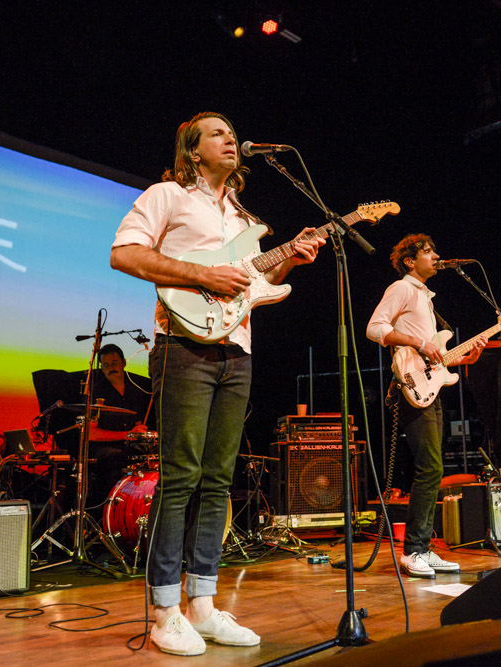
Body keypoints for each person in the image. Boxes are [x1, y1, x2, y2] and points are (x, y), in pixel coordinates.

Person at [110, 112, 324, 656]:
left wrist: (290, 261)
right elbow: (124, 253)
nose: (230, 138)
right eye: (217, 133)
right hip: (183, 347)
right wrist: (203, 274)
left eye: (232, 132)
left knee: (218, 479)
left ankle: (202, 605)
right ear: (192, 150)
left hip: (239, 351)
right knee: (180, 475)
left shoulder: (241, 213)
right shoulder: (168, 195)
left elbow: (254, 283)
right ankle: (163, 610)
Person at [366, 234, 487, 579]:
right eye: (429, 252)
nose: (436, 256)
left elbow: (435, 359)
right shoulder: (401, 289)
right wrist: (419, 341)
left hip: (429, 387)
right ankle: (414, 551)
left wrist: (465, 357)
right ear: (410, 261)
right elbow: (374, 328)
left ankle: (422, 547)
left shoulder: (425, 299)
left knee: (432, 468)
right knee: (429, 465)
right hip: (409, 387)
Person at [86, 343, 154, 506]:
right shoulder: (96, 392)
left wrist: (140, 432)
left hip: (130, 445)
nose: (111, 368)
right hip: (104, 449)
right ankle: (110, 509)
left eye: (114, 363)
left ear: (123, 362)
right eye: (106, 365)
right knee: (114, 457)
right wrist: (126, 434)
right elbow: (90, 434)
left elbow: (138, 423)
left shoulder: (137, 389)